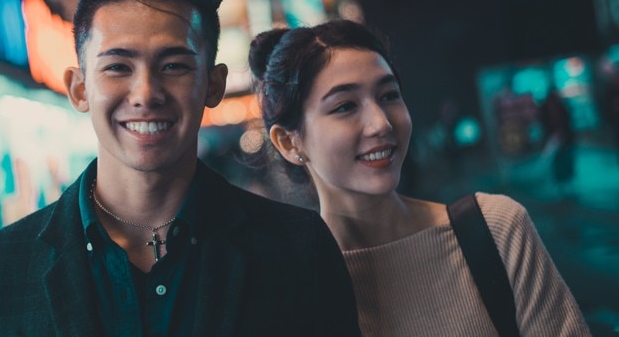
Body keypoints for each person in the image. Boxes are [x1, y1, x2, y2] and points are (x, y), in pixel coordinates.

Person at [0, 0, 360, 336]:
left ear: (213, 84)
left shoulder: (297, 247)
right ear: (79, 89)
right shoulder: (2, 267)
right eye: (118, 67)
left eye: (173, 65)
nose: (146, 94)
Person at [249, 19, 590, 336]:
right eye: (344, 106)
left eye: (389, 95)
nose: (381, 123)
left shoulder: (497, 229)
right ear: (289, 142)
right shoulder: (289, 291)